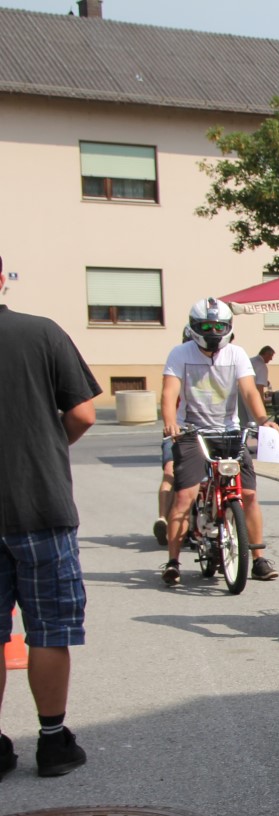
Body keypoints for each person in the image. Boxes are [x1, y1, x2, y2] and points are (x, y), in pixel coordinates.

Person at [0, 252, 99, 779]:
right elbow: (83, 413)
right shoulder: (41, 333)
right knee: (49, 630)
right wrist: (46, 445)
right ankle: (52, 740)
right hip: (39, 503)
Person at [160, 298, 279, 585]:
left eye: (218, 326)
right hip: (191, 432)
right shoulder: (180, 354)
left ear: (228, 327)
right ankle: (173, 561)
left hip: (229, 431)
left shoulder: (236, 354)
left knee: (248, 495)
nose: (213, 331)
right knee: (184, 496)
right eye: (206, 326)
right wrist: (170, 421)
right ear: (194, 327)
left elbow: (250, 391)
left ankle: (259, 559)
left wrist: (263, 420)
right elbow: (168, 392)